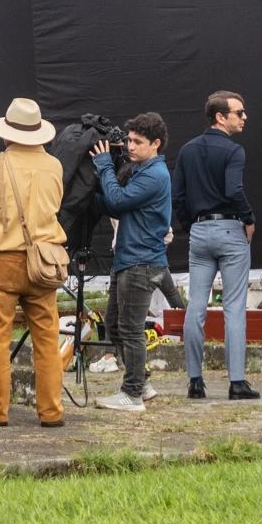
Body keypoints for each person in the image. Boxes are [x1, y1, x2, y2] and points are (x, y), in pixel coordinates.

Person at [0, 98, 69, 428]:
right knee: (47, 339)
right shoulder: (54, 165)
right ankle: (51, 411)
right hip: (44, 262)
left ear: (8, 133)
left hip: (2, 261)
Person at [171, 90, 259, 401]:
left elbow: (177, 196)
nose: (244, 117)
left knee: (196, 305)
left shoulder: (187, 150)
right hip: (230, 227)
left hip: (200, 231)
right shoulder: (234, 151)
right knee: (234, 307)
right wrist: (248, 218)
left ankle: (195, 380)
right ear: (220, 117)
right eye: (239, 112)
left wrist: (189, 224)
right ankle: (236, 383)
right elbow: (233, 189)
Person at [92, 112, 173, 412]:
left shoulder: (154, 175)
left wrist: (103, 166)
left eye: (138, 141)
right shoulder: (141, 170)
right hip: (129, 260)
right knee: (114, 323)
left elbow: (117, 201)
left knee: (130, 329)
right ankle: (142, 383)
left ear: (156, 143)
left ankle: (132, 394)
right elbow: (116, 202)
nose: (130, 146)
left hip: (141, 263)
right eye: (128, 140)